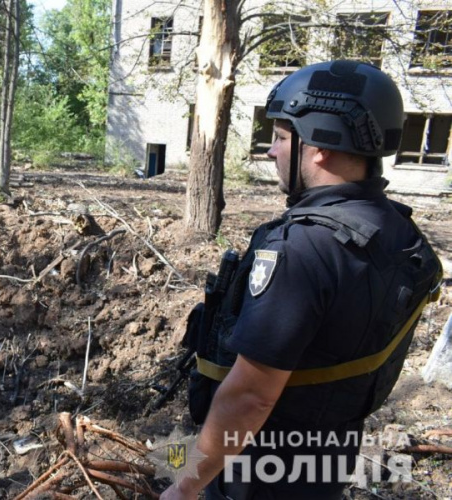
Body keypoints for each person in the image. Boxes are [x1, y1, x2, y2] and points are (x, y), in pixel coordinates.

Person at [160, 60, 442, 500]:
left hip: (259, 474)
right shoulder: (400, 232)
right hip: (326, 463)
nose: (272, 151)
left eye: (280, 137)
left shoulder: (303, 249)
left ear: (321, 145)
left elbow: (251, 396)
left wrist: (186, 485)